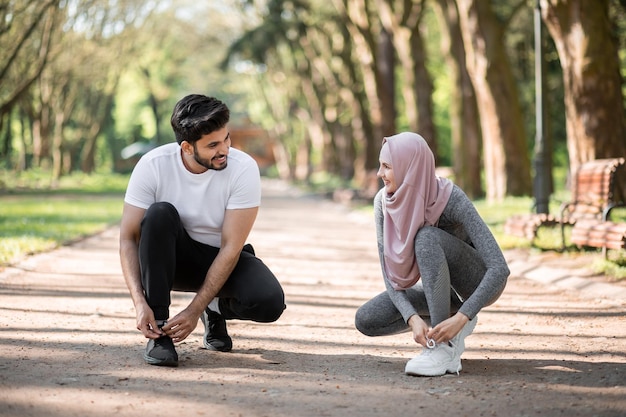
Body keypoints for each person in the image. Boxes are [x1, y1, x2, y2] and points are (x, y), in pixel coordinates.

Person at [119, 94, 285, 367]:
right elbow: (127, 238)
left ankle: (214, 308)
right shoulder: (153, 165)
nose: (225, 150)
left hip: (221, 259)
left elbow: (232, 247)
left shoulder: (243, 169)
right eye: (213, 145)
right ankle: (160, 332)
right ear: (186, 147)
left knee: (269, 302)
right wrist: (140, 303)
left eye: (226, 139)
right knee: (160, 214)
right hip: (168, 261)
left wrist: (195, 309)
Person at [355, 132, 509, 377]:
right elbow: (389, 275)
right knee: (367, 319)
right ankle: (443, 323)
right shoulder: (384, 202)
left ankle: (441, 348)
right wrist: (412, 319)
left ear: (410, 168)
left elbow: (499, 268)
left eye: (386, 166)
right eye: (380, 165)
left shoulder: (450, 198)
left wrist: (463, 316)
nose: (379, 173)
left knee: (426, 237)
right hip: (438, 291)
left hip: (474, 283)